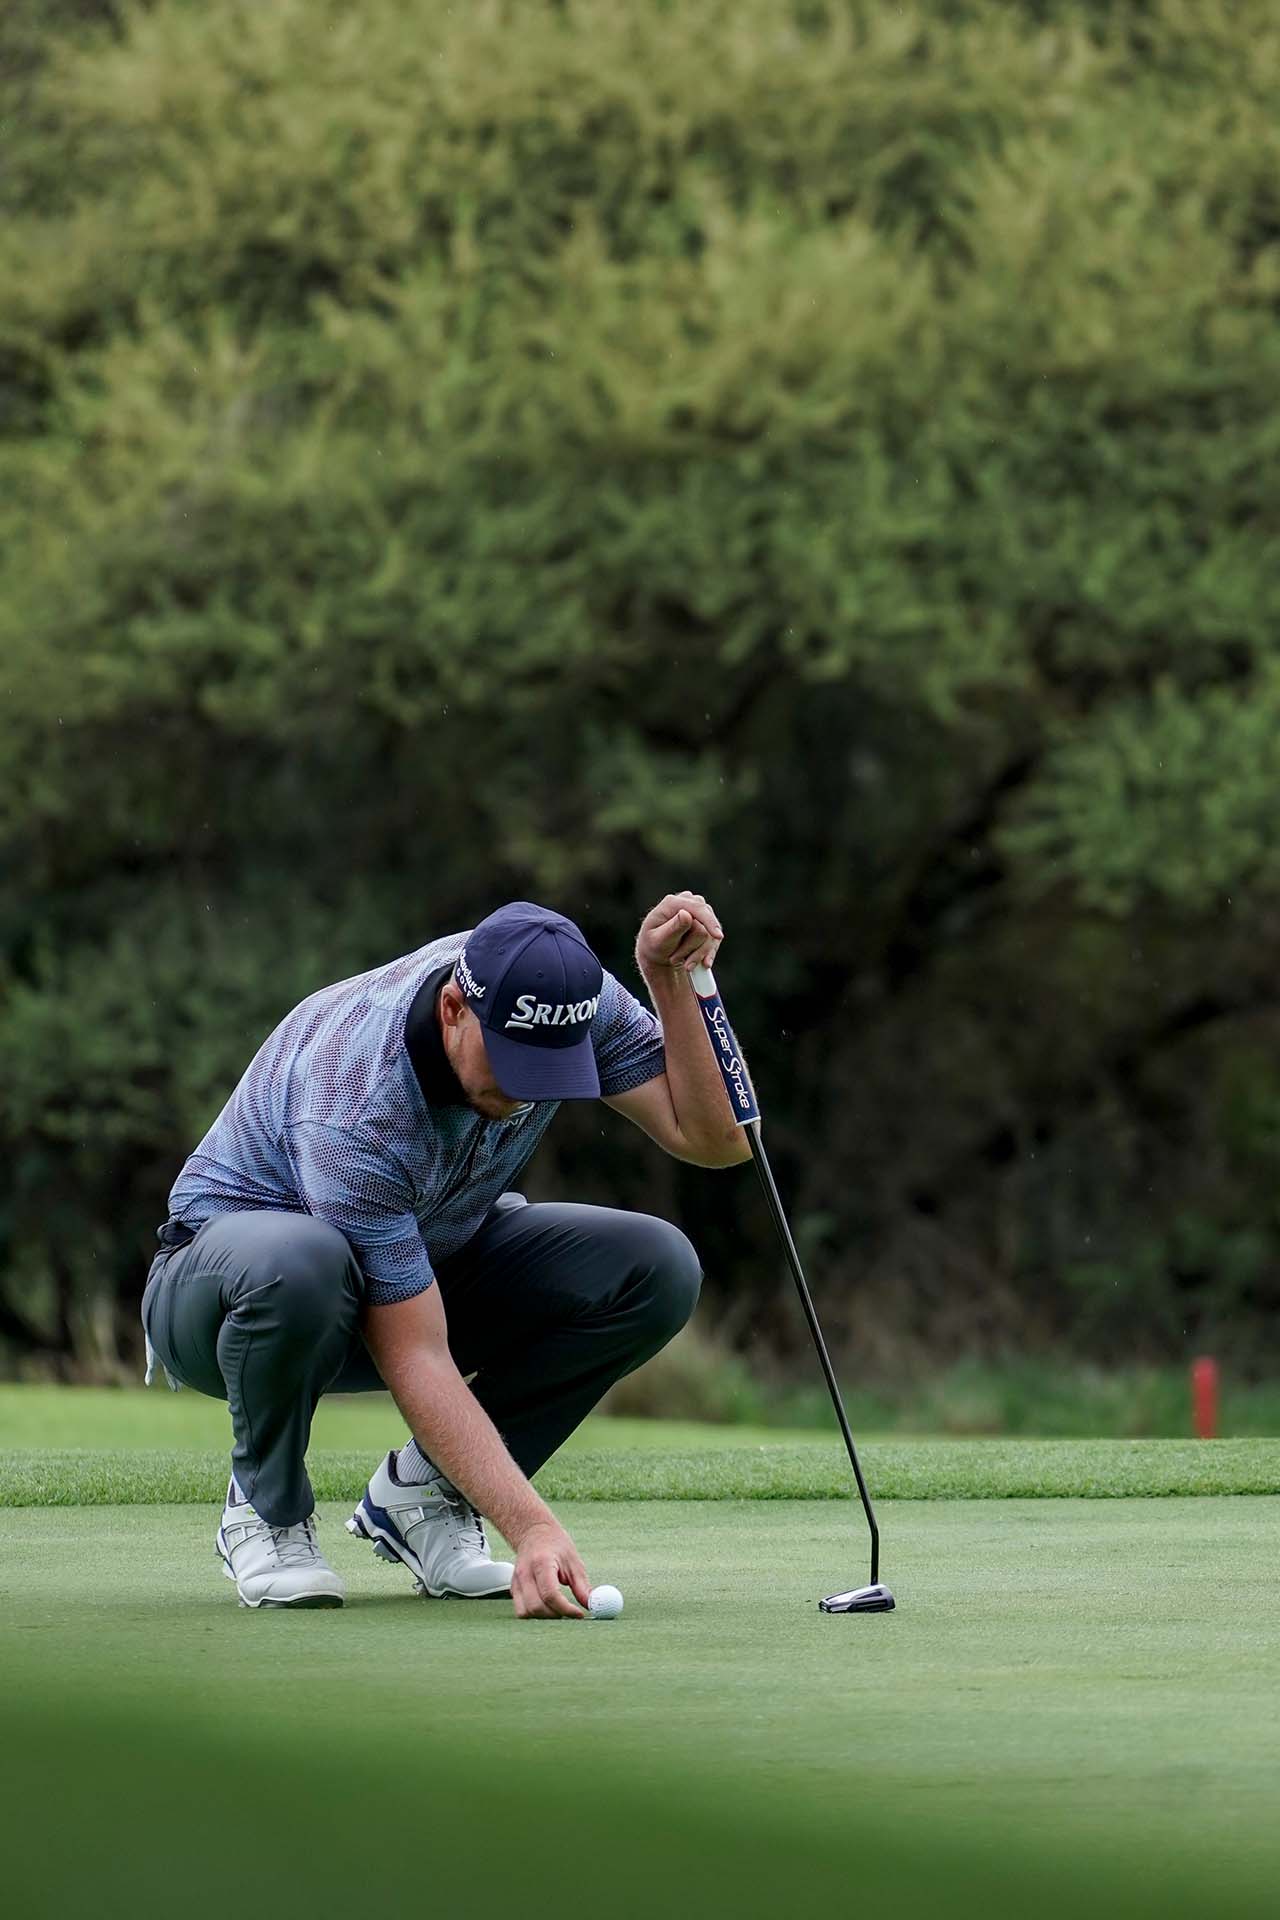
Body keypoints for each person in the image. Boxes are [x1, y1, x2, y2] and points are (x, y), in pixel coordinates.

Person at [141, 891, 752, 1617]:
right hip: (223, 1299)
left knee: (655, 1268)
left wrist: (670, 982)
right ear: (455, 1009)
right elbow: (415, 1354)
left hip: (417, 1261)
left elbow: (718, 1140)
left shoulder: (568, 997)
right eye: (514, 1063)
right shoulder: (355, 1098)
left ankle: (426, 1497)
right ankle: (264, 1511)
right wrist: (531, 1525)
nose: (526, 1094)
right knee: (304, 1261)